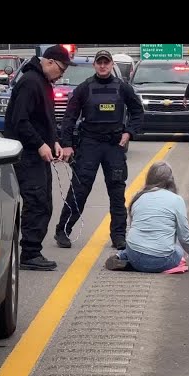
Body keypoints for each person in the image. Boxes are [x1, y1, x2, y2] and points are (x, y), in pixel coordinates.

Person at [54, 49, 144, 251]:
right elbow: (69, 117)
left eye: (106, 62)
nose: (103, 66)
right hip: (89, 144)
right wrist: (67, 143)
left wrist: (129, 133)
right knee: (79, 190)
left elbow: (138, 112)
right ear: (95, 65)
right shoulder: (84, 88)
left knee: (116, 191)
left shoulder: (123, 88)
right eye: (99, 63)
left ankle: (119, 236)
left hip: (114, 145)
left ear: (112, 65)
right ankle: (63, 231)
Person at [4, 44, 76, 271]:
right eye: (62, 69)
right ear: (50, 62)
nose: (62, 74)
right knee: (36, 201)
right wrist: (40, 145)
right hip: (27, 154)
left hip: (38, 153)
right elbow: (20, 121)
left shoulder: (43, 83)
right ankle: (29, 253)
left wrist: (53, 140)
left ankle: (33, 250)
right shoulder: (30, 83)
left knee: (44, 201)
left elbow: (44, 119)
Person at [104, 161, 189, 273]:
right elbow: (184, 236)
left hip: (134, 253)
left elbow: (135, 225)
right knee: (178, 249)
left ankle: (123, 257)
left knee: (137, 243)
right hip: (161, 260)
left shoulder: (138, 197)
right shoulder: (177, 200)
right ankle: (145, 265)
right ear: (170, 180)